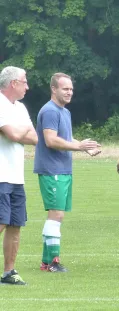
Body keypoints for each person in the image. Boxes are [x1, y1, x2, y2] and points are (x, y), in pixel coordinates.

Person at [35, 72, 101, 272]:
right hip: (52, 169)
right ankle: (52, 261)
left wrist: (83, 146)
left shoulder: (65, 112)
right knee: (56, 214)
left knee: (57, 215)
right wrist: (79, 147)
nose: (70, 92)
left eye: (71, 89)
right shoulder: (50, 111)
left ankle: (47, 261)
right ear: (53, 89)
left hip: (63, 169)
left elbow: (66, 139)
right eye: (65, 88)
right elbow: (51, 140)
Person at [0, 66, 37, 285]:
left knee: (15, 224)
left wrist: (19, 130)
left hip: (16, 176)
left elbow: (34, 138)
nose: (27, 86)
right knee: (1, 222)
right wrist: (21, 130)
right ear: (13, 83)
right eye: (24, 81)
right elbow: (15, 134)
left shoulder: (20, 107)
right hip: (1, 175)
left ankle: (8, 272)